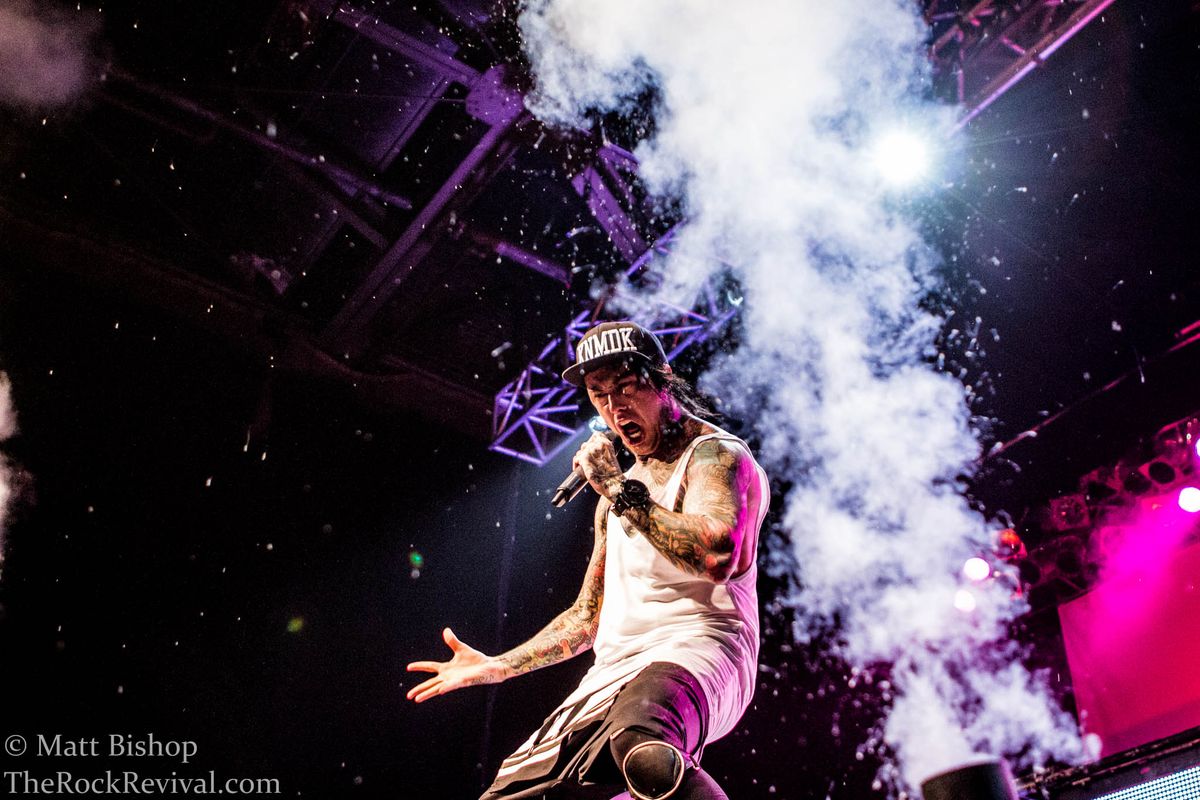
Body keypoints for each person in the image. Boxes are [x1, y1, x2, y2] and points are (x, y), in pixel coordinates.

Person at [407, 321, 770, 800]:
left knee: (639, 737)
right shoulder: (612, 500)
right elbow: (585, 618)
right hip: (612, 673)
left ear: (662, 379)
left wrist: (617, 488)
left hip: (697, 652)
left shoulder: (714, 456)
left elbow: (716, 554)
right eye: (599, 395)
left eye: (625, 387)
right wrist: (496, 666)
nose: (615, 408)